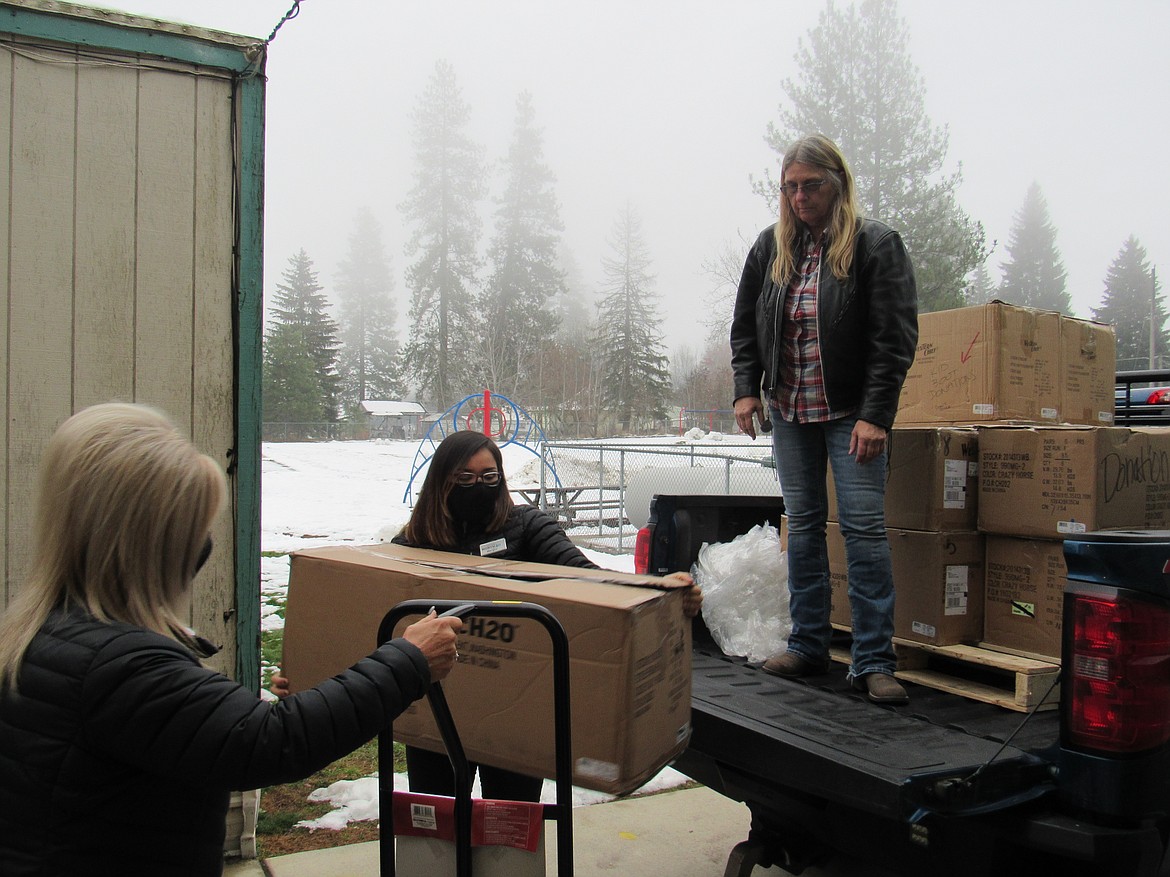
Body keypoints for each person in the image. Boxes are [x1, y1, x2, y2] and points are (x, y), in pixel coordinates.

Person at [0, 403, 462, 877]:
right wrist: (409, 659)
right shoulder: (121, 664)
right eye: (193, 531)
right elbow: (269, 742)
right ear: (155, 545)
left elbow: (203, 732)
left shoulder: (50, 632)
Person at [270, 429, 702, 802]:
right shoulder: (412, 545)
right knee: (437, 820)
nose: (479, 486)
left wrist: (657, 591)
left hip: (515, 708)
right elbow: (364, 622)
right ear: (443, 482)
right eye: (466, 478)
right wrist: (309, 677)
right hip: (435, 707)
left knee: (510, 822)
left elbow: (588, 579)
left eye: (489, 477)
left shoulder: (527, 526)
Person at [729, 134, 918, 706]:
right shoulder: (770, 248)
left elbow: (894, 339)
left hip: (851, 415)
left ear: (837, 184)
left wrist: (876, 415)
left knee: (862, 530)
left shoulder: (875, 245)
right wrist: (746, 390)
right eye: (790, 187)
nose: (800, 196)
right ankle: (808, 644)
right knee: (804, 526)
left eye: (811, 185)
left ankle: (874, 660)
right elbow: (745, 327)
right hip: (790, 409)